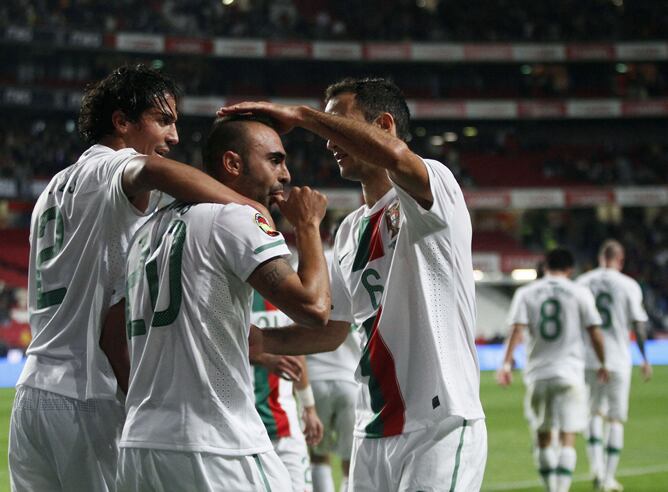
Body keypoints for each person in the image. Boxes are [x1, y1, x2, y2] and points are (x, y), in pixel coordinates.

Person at [220, 76, 487, 491]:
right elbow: (332, 329)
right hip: (373, 429)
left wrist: (303, 116)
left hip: (439, 424)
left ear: (383, 126)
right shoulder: (349, 231)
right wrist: (261, 341)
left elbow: (399, 159)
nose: (327, 140)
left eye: (337, 124)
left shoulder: (433, 187)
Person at [8, 64, 262, 492]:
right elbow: (149, 171)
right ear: (122, 122)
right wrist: (249, 209)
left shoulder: (54, 187)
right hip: (86, 392)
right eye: (163, 121)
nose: (175, 137)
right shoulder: (113, 167)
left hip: (32, 392)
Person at [117, 114, 330, 491]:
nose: (286, 175)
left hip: (140, 445)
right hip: (216, 446)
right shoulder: (235, 217)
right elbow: (314, 308)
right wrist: (309, 225)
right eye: (275, 160)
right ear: (232, 164)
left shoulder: (146, 229)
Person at [497, 247, 609, 492]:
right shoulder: (580, 292)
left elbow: (516, 330)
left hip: (538, 374)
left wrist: (505, 364)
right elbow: (595, 333)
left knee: (543, 436)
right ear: (570, 269)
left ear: (544, 267)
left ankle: (551, 489)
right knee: (568, 435)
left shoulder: (526, 293)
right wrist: (603, 363)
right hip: (570, 373)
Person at [577, 239, 651, 492]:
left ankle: (595, 468)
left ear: (600, 257)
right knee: (615, 419)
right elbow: (639, 326)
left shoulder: (583, 282)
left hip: (588, 357)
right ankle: (608, 477)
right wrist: (645, 358)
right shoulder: (629, 285)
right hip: (618, 358)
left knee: (593, 413)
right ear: (620, 259)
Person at [251, 290, 324, 492]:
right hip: (246, 428)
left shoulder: (283, 291)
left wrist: (309, 407)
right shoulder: (231, 290)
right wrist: (265, 359)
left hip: (286, 425)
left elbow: (295, 351)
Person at [306, 249, 361, 492]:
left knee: (318, 455)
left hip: (316, 377)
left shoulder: (306, 267)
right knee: (351, 460)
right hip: (349, 379)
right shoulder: (352, 267)